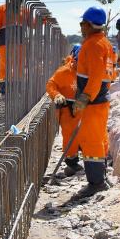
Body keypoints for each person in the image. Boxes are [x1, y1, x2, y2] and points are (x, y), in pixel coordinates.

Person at [72, 7, 115, 199]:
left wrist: (84, 98)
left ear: (89, 24)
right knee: (99, 139)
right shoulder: (104, 43)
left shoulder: (94, 45)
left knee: (91, 141)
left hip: (94, 102)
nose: (81, 27)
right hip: (99, 100)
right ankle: (101, 177)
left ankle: (96, 183)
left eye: (82, 23)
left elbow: (96, 76)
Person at [47, 45, 81, 177]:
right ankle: (71, 161)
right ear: (74, 59)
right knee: (69, 134)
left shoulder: (88, 71)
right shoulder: (64, 71)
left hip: (83, 108)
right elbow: (51, 84)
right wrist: (56, 95)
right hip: (68, 109)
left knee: (84, 134)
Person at [0, 0, 26, 94]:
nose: (19, 0)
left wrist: (43, 19)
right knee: (5, 65)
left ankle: (18, 87)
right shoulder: (1, 10)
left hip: (20, 44)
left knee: (19, 65)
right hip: (6, 43)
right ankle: (4, 88)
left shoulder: (24, 11)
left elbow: (33, 23)